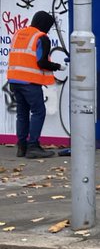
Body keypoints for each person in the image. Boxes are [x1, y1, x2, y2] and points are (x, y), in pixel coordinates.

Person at [5, 10, 62, 159]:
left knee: (22, 113)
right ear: (45, 24)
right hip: (29, 82)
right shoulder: (41, 37)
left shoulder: (19, 34)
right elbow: (42, 63)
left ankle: (21, 147)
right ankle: (33, 146)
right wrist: (57, 66)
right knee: (38, 112)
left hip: (14, 80)